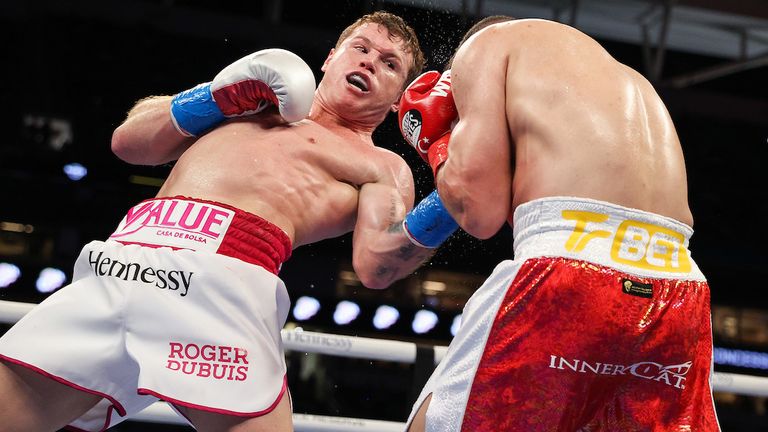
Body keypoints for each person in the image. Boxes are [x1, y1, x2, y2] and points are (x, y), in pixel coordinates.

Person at [0, 11, 446, 432]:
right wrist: (216, 95)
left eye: (389, 64)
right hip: (124, 261)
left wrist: (451, 197)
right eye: (360, 48)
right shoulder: (249, 101)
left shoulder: (381, 165)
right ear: (331, 56)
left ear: (396, 102)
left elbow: (377, 265)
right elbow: (128, 144)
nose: (369, 62)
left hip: (222, 284)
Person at [397, 16, 720, 431]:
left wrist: (439, 146)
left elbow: (479, 212)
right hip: (681, 296)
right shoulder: (622, 80)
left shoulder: (483, 47)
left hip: (571, 279)